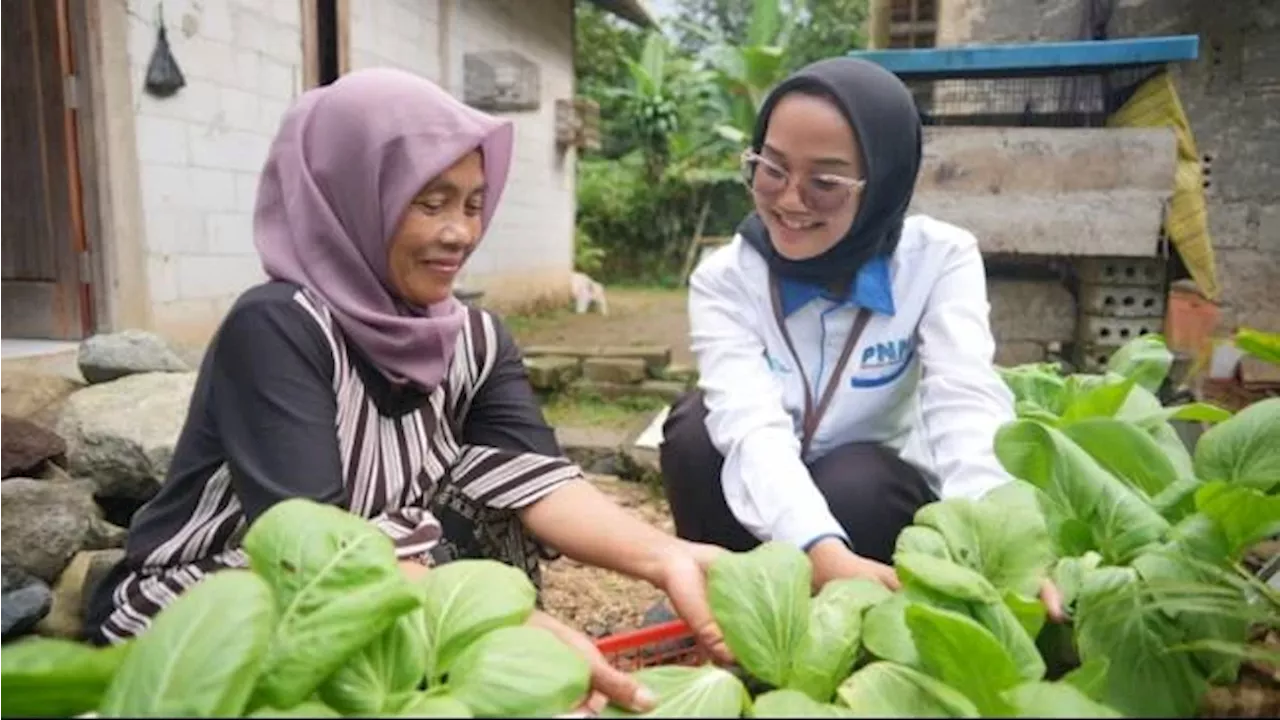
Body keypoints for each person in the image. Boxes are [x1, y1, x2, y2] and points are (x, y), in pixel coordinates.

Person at [83, 68, 730, 712]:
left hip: (382, 581)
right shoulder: (279, 326)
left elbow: (540, 479)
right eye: (430, 202)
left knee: (489, 497)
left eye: (473, 204)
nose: (460, 233)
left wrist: (666, 556)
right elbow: (310, 546)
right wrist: (493, 628)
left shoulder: (472, 337)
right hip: (236, 596)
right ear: (355, 195)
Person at [659, 58, 1063, 614]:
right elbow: (749, 422)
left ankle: (855, 613)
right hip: (764, 483)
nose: (790, 200)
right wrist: (816, 548)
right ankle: (726, 602)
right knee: (695, 431)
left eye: (825, 183)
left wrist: (999, 537)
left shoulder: (939, 260)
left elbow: (963, 398)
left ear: (883, 183)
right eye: (772, 169)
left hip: (867, 494)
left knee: (858, 479)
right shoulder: (726, 278)